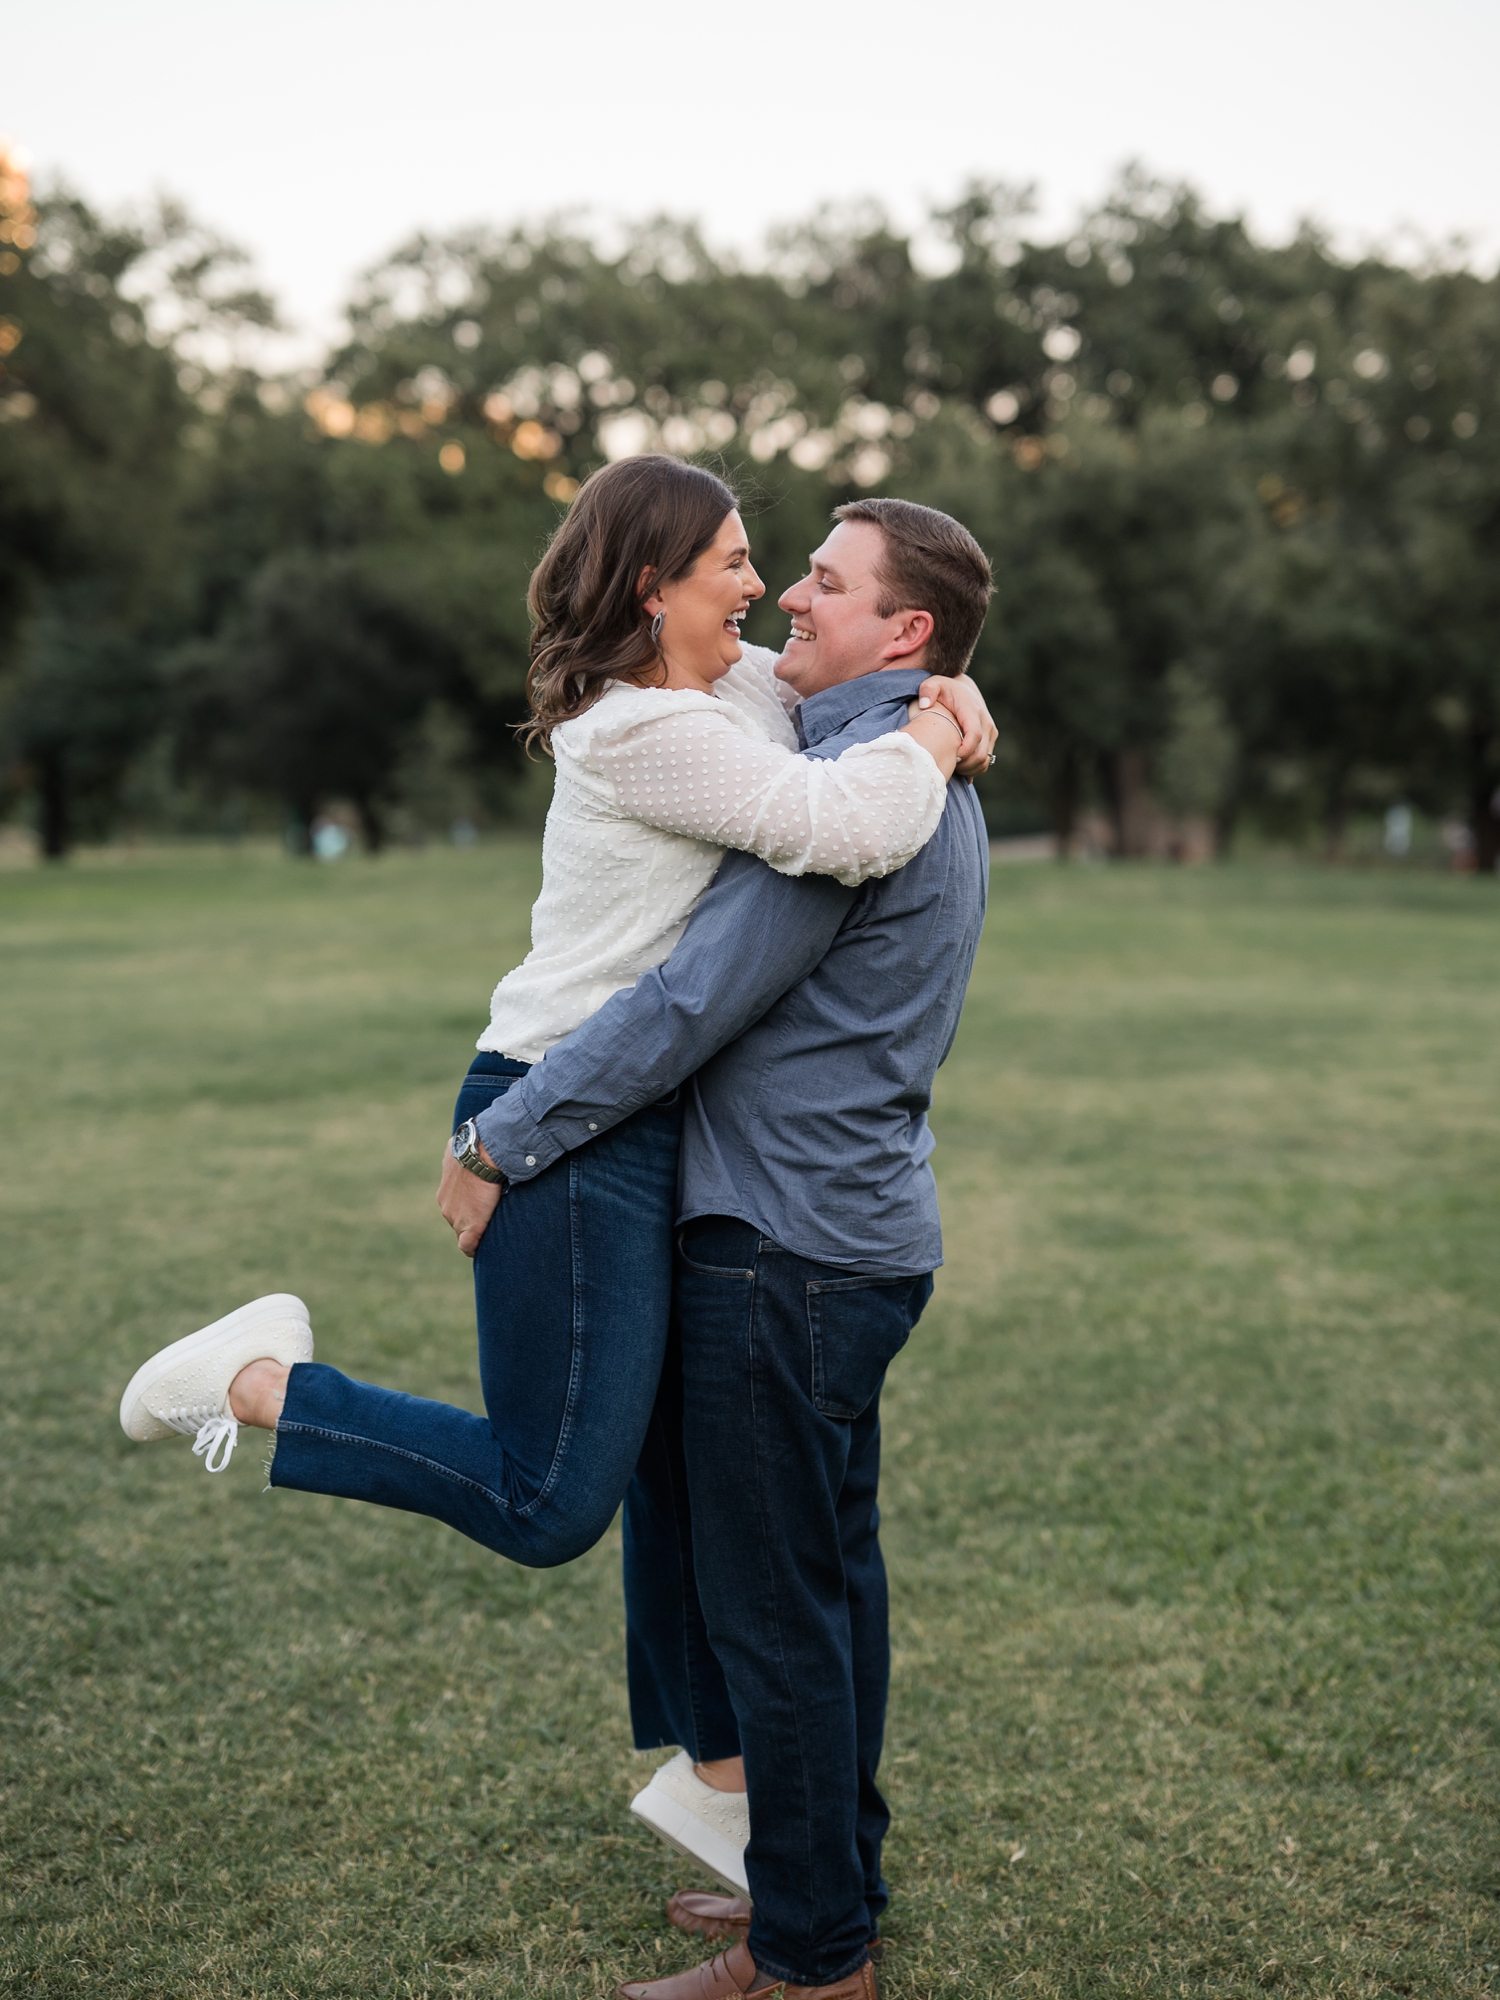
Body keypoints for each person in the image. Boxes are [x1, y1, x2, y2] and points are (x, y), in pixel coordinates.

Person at [116, 458, 994, 1578]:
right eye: (732, 562)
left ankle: (714, 1762)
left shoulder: (732, 687)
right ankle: (253, 1382)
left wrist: (950, 689)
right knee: (551, 1498)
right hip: (559, 1099)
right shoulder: (638, 729)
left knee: (668, 1457)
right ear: (651, 588)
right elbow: (844, 821)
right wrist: (932, 731)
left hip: (642, 1097)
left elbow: (853, 673)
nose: (764, 587)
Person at [451, 495, 994, 2000]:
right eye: (782, 572)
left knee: (778, 1615)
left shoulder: (868, 801)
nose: (790, 602)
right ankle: (832, 1887)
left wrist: (508, 1134)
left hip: (782, 1249)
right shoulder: (898, 754)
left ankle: (811, 1959)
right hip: (850, 1236)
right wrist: (949, 716)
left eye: (825, 583)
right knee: (829, 1592)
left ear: (907, 631)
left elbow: (691, 999)